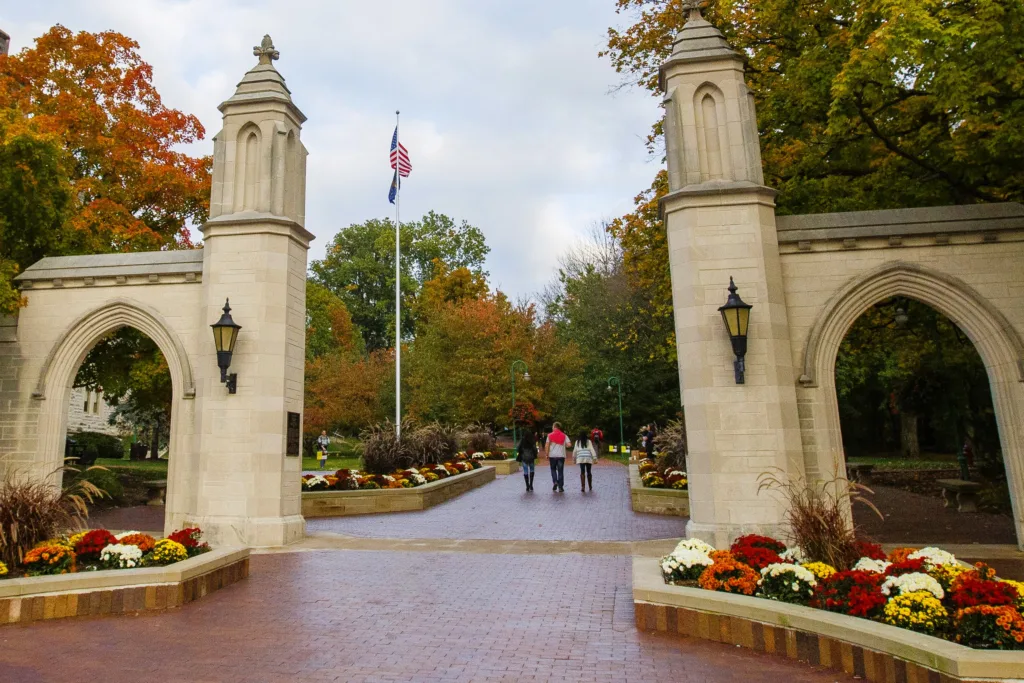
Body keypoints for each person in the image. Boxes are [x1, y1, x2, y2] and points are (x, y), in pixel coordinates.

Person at [546, 422, 570, 493]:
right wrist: (564, 444)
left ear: (554, 427)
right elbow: (569, 444)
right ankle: (560, 487)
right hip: (561, 456)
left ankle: (555, 482)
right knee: (560, 471)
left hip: (552, 456)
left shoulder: (549, 435)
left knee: (553, 469)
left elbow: (547, 445)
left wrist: (547, 454)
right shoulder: (564, 435)